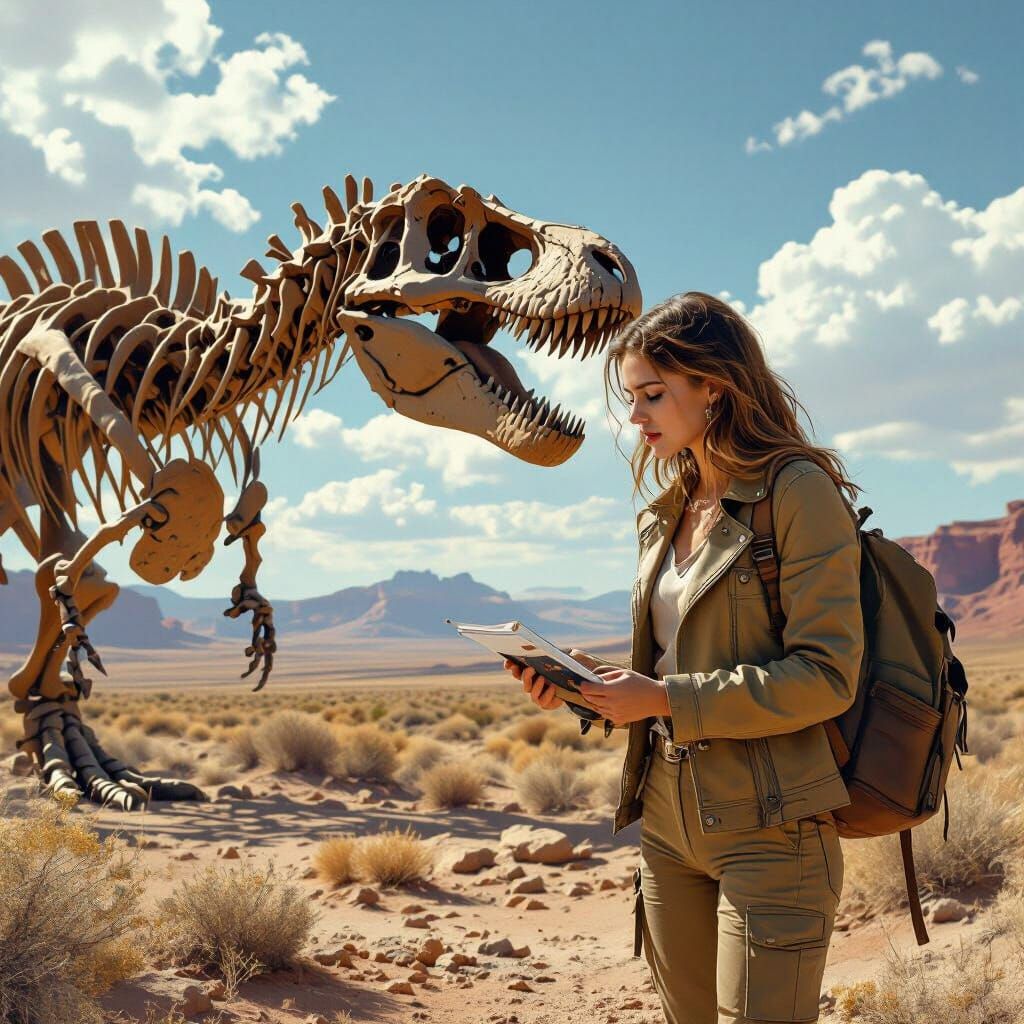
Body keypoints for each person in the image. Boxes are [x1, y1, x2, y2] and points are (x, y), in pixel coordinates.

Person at [502, 291, 865, 1024]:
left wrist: (665, 699)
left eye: (652, 395)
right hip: (668, 822)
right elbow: (672, 662)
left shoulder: (797, 491)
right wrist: (587, 688)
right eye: (630, 397)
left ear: (714, 388)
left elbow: (827, 675)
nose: (634, 417)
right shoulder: (665, 508)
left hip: (772, 827)